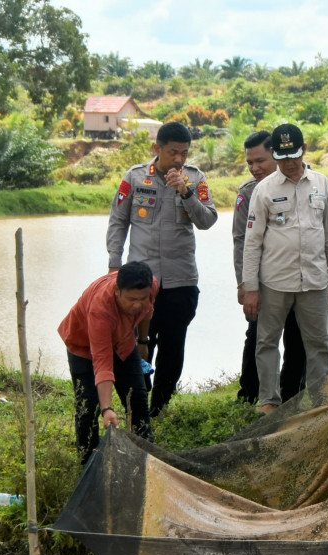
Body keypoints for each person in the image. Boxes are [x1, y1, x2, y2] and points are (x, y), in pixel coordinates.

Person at [106, 121, 218, 417]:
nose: (179, 159)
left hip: (180, 280)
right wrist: (114, 266)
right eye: (172, 153)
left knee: (173, 346)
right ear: (157, 149)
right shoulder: (134, 177)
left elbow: (207, 220)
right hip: (141, 282)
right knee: (135, 344)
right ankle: (137, 404)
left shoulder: (195, 179)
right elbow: (118, 221)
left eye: (184, 153)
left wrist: (186, 193)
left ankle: (160, 407)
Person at [241, 123, 328, 415]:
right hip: (274, 282)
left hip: (314, 281)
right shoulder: (264, 190)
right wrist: (251, 288)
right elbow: (252, 243)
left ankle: (323, 404)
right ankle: (268, 402)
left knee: (319, 344)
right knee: (267, 342)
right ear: (274, 154)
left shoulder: (322, 184)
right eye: (282, 158)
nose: (288, 164)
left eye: (294, 156)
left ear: (305, 150)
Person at [232, 130, 306, 405]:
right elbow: (241, 242)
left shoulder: (308, 183)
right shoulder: (249, 193)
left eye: (260, 160)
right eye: (250, 162)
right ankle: (250, 398)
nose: (255, 168)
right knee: (258, 339)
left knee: (299, 341)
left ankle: (292, 400)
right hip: (264, 284)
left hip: (301, 281)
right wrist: (245, 285)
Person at [58, 261, 157, 463]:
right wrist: (107, 409)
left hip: (124, 341)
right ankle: (88, 463)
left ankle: (146, 459)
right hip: (83, 346)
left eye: (142, 298)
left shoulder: (151, 285)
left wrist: (143, 341)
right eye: (131, 299)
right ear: (117, 291)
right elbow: (102, 364)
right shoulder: (100, 310)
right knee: (88, 408)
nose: (137, 304)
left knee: (138, 400)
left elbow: (148, 312)